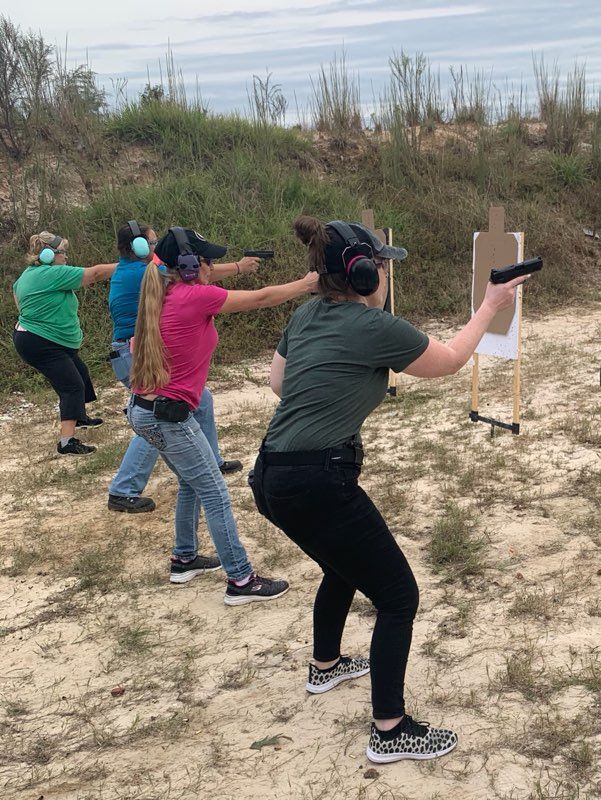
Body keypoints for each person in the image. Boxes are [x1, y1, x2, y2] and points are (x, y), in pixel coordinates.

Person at [249, 216, 529, 763]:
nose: (384, 273)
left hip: (272, 475)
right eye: (380, 264)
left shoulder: (306, 313)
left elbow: (278, 383)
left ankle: (325, 667)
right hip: (318, 480)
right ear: (359, 272)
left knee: (343, 564)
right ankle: (390, 728)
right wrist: (491, 305)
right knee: (399, 597)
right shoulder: (374, 327)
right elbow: (448, 361)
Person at [127, 226, 319, 599]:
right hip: (168, 418)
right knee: (215, 491)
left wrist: (239, 267)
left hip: (146, 411)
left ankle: (184, 558)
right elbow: (261, 298)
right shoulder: (193, 296)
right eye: (207, 260)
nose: (212, 265)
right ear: (187, 265)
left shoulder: (165, 292)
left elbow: (226, 281)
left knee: (191, 483)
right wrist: (305, 283)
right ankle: (241, 580)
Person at [107, 221, 258, 513]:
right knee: (157, 417)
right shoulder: (145, 273)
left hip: (134, 349)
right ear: (137, 247)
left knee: (200, 400)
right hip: (134, 351)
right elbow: (193, 274)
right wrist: (238, 267)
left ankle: (210, 460)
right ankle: (123, 489)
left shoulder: (138, 269)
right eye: (151, 245)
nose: (154, 251)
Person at [13, 231, 117, 455]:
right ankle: (67, 442)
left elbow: (19, 303)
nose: (66, 257)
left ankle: (78, 416)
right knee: (72, 385)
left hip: (36, 338)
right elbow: (95, 274)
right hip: (41, 342)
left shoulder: (28, 275)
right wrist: (126, 265)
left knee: (80, 372)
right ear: (49, 254)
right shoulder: (51, 273)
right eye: (62, 252)